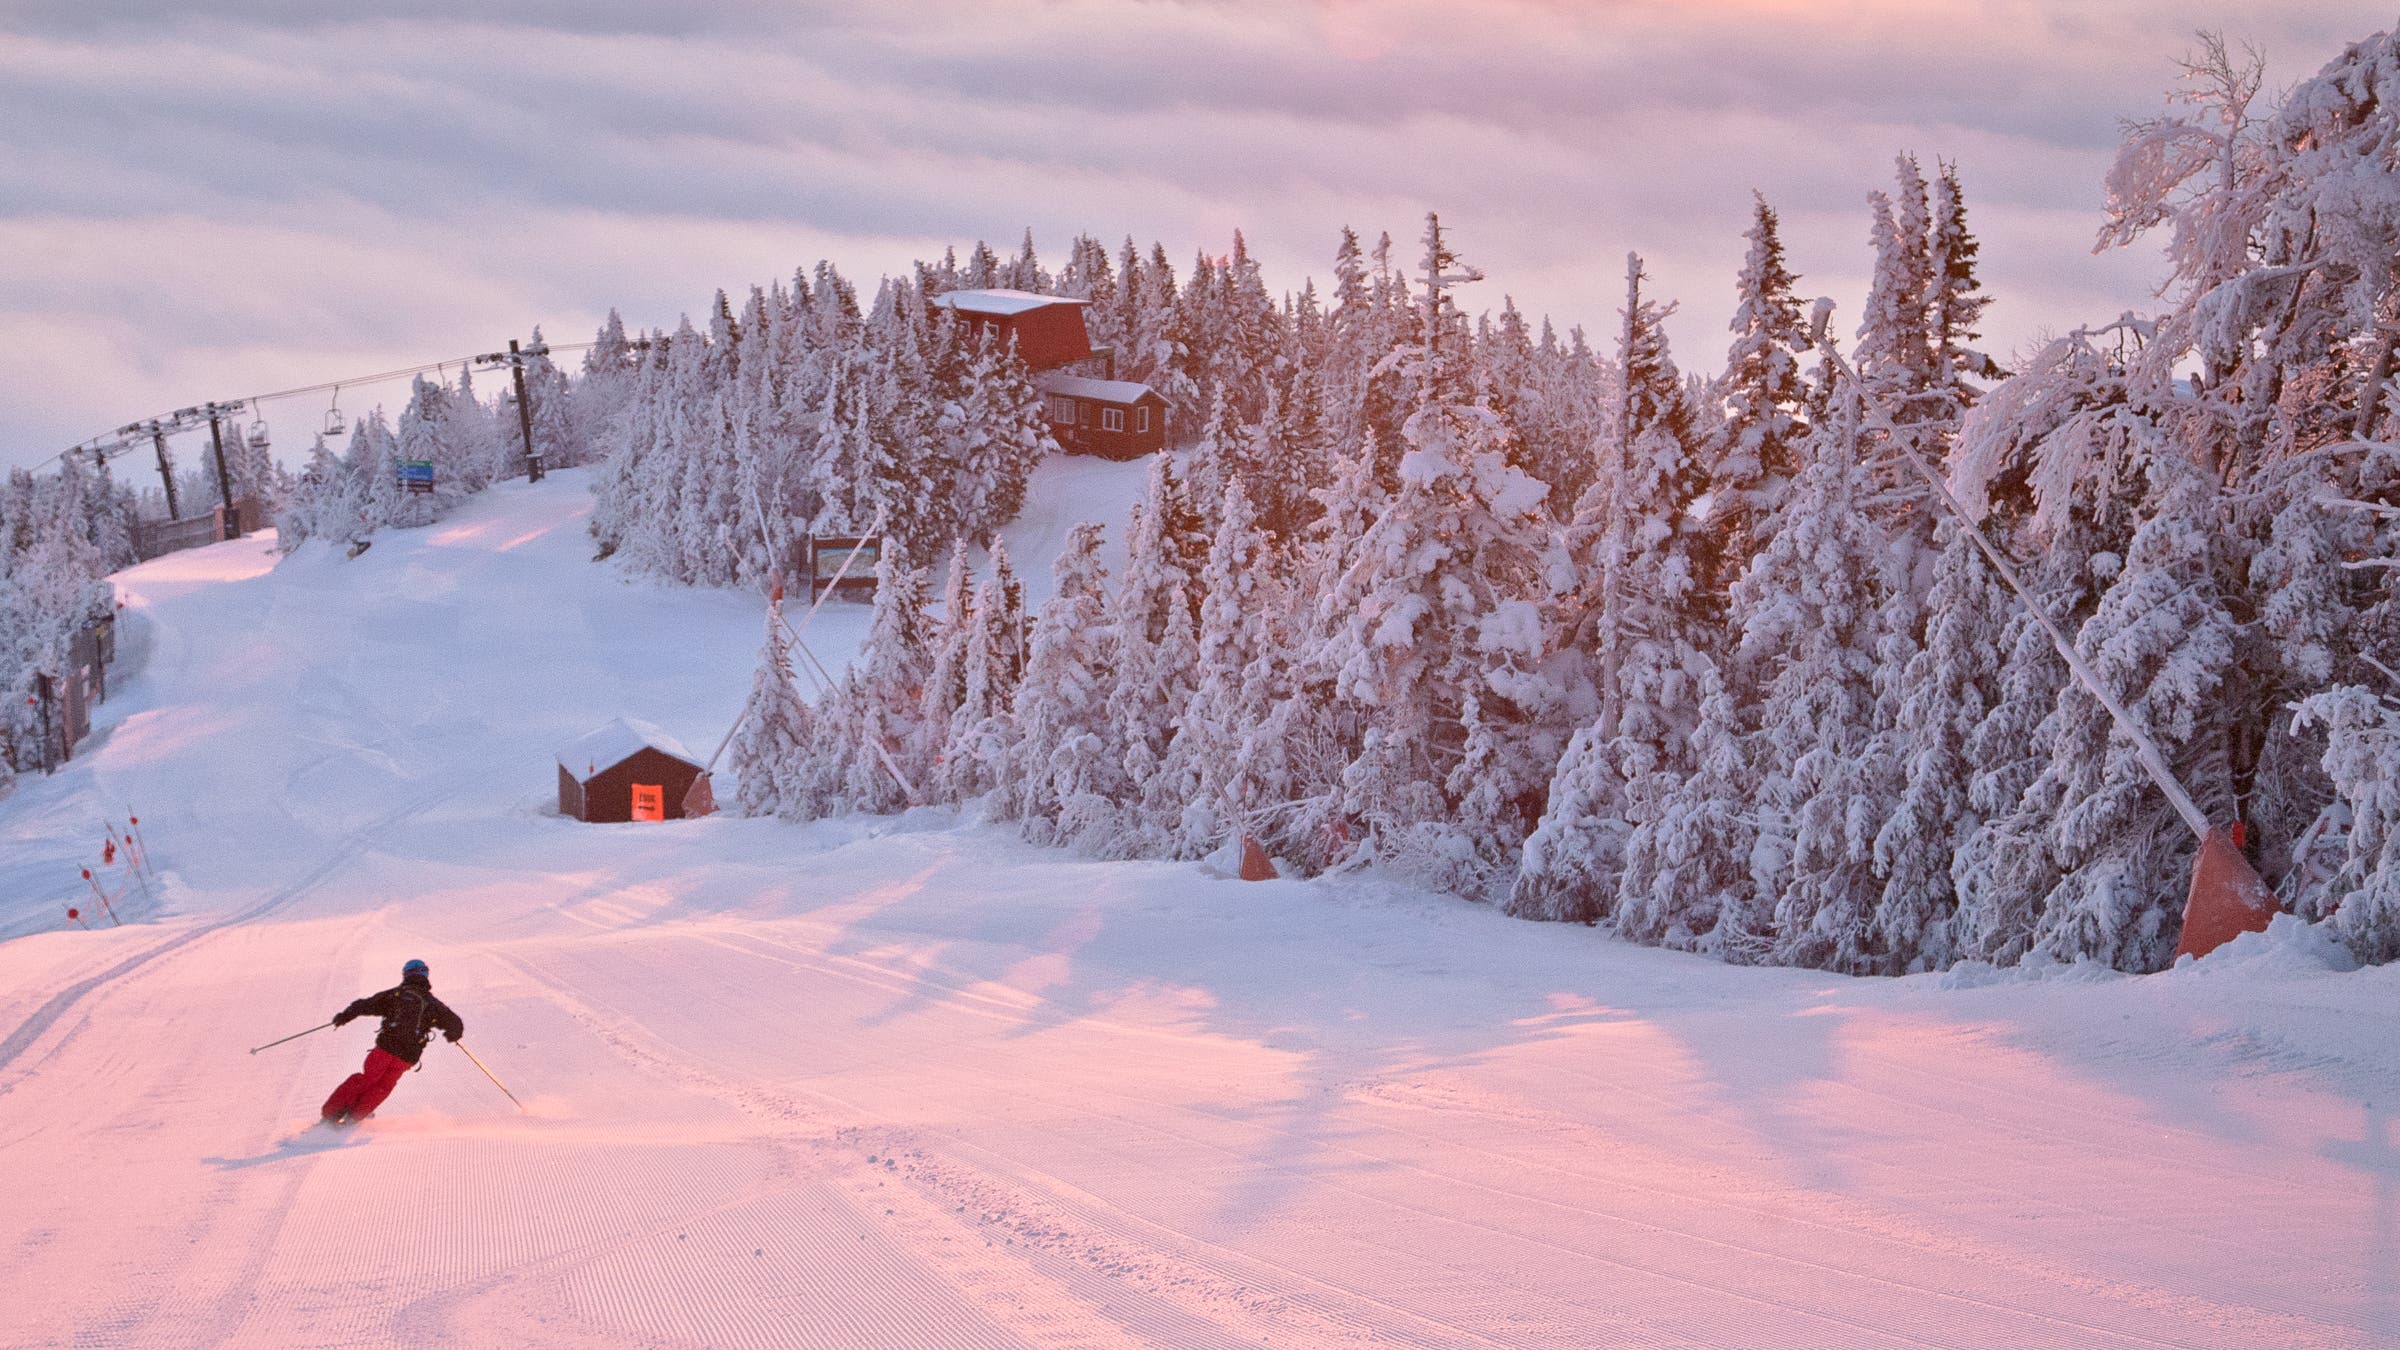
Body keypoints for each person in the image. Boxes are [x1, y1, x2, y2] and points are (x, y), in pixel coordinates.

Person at [320, 958, 465, 1124]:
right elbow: (455, 1023)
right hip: (407, 1057)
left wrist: (345, 1016)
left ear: (406, 975)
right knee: (383, 1086)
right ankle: (355, 1116)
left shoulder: (395, 995)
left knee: (367, 1078)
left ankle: (331, 1114)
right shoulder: (432, 1003)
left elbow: (364, 1005)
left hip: (386, 1048)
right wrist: (453, 1034)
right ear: (426, 975)